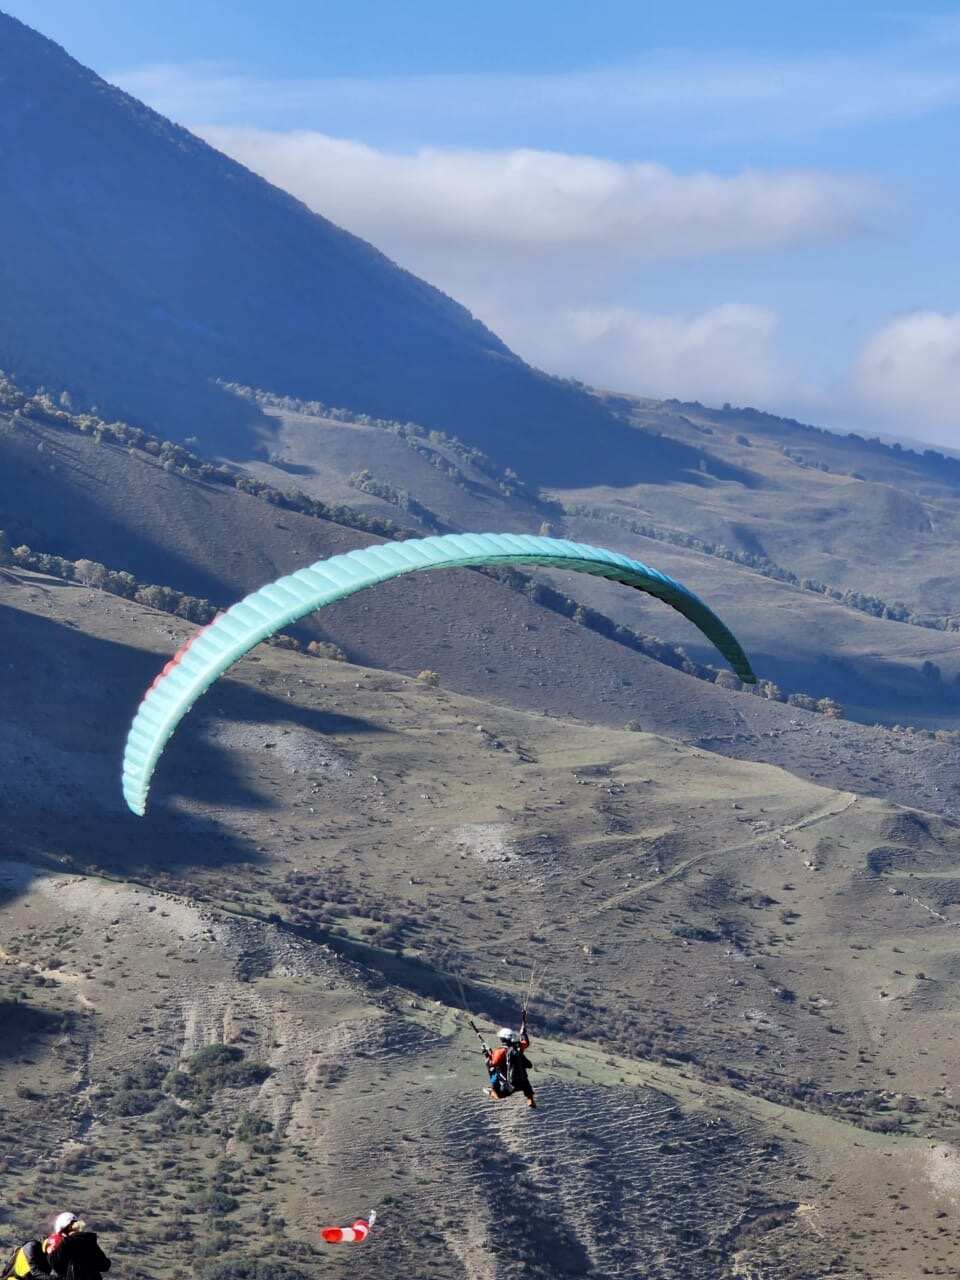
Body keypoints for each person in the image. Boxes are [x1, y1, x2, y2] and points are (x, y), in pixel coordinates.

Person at [484, 1012, 536, 1108]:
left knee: (492, 1072)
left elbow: (492, 1063)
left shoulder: (499, 1052)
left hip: (510, 1084)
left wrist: (487, 1055)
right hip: (523, 1081)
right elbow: (526, 1042)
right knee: (524, 1078)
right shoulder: (518, 1047)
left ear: (502, 1039)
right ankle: (530, 1099)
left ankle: (494, 1092)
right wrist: (523, 1032)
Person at [45, 1215, 110, 1280]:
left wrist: (49, 1250)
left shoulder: (66, 1242)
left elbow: (54, 1263)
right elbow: (105, 1265)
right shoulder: (89, 1241)